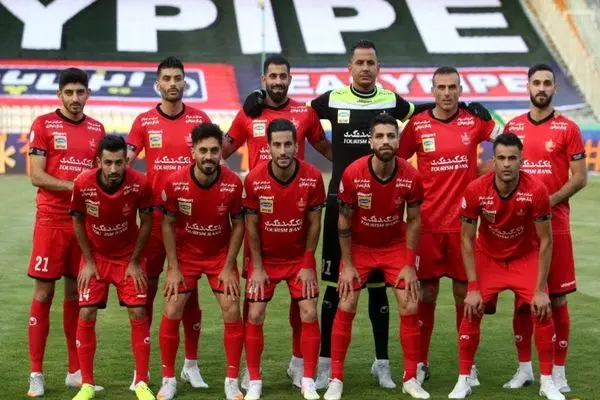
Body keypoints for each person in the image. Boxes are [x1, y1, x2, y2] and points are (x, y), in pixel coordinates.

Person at [243, 40, 492, 389]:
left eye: (370, 63)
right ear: (349, 67)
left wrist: (463, 105)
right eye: (359, 63)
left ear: (378, 67)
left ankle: (382, 363)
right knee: (334, 287)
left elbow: (424, 110)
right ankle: (324, 363)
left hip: (383, 204)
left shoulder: (391, 100)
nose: (364, 68)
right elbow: (298, 114)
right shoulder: (331, 99)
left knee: (378, 290)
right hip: (341, 201)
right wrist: (260, 100)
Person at [222, 54, 332, 389]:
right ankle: (250, 369)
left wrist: (353, 171)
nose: (278, 81)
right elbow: (219, 151)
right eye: (273, 76)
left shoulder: (305, 114)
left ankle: (299, 364)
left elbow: (326, 148)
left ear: (290, 79)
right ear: (264, 79)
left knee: (303, 302)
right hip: (259, 218)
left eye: (283, 76)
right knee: (254, 304)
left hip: (296, 214)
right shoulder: (248, 113)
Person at [397, 66, 499, 385]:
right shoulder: (418, 124)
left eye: (452, 87)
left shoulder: (474, 120)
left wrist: (483, 171)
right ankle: (421, 362)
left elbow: (509, 143)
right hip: (426, 225)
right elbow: (398, 161)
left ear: (460, 90)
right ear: (432, 91)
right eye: (440, 87)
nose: (446, 93)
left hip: (463, 227)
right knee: (425, 295)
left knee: (464, 295)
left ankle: (467, 367)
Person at [447, 133, 565, 400]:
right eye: (501, 158)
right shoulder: (476, 189)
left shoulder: (536, 190)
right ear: (494, 161)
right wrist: (473, 286)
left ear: (521, 160)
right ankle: (464, 379)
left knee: (542, 310)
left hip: (524, 257)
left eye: (513, 158)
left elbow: (546, 240)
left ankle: (547, 382)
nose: (507, 164)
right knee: (471, 309)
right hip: (489, 257)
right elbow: (466, 238)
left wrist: (540, 290)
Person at [323, 113, 429, 400]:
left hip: (394, 245)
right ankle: (335, 378)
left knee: (409, 303)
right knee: (347, 302)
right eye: (379, 136)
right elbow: (344, 221)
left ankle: (410, 378)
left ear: (398, 140)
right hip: (360, 247)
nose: (385, 141)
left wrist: (409, 264)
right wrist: (347, 265)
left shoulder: (410, 175)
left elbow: (414, 220)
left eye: (390, 136)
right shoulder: (353, 174)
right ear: (370, 141)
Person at [498, 64, 588, 393]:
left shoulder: (568, 128)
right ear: (527, 87)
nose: (541, 88)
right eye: (536, 82)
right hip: (521, 228)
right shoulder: (514, 126)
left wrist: (547, 202)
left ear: (554, 89)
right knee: (523, 300)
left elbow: (580, 177)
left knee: (558, 299)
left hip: (555, 225)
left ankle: (559, 373)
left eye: (547, 83)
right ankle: (524, 369)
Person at [126, 56, 210, 389]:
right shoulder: (144, 121)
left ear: (185, 82)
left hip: (188, 225)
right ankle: (142, 369)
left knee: (189, 295)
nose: (173, 84)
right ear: (158, 84)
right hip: (153, 223)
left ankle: (191, 364)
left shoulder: (200, 119)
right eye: (167, 79)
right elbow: (125, 162)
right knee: (144, 293)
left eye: (178, 78)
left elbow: (212, 161)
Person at [26, 67, 106, 397]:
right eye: (69, 92)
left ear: (88, 94)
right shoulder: (43, 124)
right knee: (44, 294)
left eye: (80, 92)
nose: (75, 98)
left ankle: (75, 372)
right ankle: (36, 373)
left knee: (77, 296)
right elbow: (36, 175)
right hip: (51, 221)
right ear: (59, 95)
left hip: (82, 224)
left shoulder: (97, 129)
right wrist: (75, 186)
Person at [157, 123, 245, 400]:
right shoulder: (175, 182)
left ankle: (232, 381)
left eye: (214, 150)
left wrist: (229, 266)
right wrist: (173, 268)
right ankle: (168, 379)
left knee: (232, 307)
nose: (209, 156)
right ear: (193, 151)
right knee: (173, 306)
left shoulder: (233, 183)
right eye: (203, 150)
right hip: (186, 256)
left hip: (219, 256)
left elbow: (239, 224)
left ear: (221, 152)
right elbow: (167, 224)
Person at [242, 118, 325, 400]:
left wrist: (308, 262)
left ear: (296, 145)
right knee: (255, 313)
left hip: (298, 259)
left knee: (309, 312)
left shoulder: (312, 177)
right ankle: (254, 379)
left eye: (288, 144)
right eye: (277, 145)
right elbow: (252, 226)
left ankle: (308, 379)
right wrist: (257, 267)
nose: (283, 150)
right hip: (264, 260)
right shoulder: (254, 179)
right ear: (267, 147)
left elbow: (315, 223)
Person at [69, 135, 155, 400]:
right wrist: (88, 262)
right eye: (108, 162)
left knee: (138, 311)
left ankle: (141, 382)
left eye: (119, 162)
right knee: (86, 313)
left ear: (126, 161)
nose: (114, 169)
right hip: (96, 257)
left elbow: (147, 221)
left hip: (128, 258)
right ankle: (86, 384)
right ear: (98, 161)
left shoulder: (140, 183)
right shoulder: (83, 183)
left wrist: (135, 261)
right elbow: (77, 221)